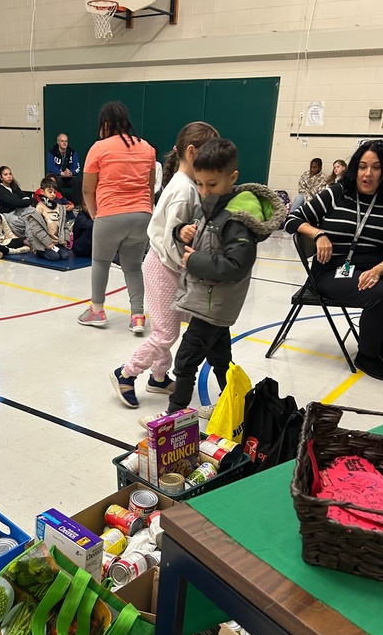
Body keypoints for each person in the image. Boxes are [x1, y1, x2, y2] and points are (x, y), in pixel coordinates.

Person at [159, 139, 284, 415]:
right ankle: (235, 408)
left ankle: (173, 417)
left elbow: (235, 265)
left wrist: (194, 261)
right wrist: (182, 230)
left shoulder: (238, 218)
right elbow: (204, 237)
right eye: (199, 183)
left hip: (214, 304)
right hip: (209, 301)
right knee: (220, 358)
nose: (204, 191)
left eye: (212, 184)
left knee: (185, 360)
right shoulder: (214, 205)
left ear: (233, 177)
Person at [110, 121, 219, 409]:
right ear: (193, 153)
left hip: (168, 267)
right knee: (165, 333)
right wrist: (190, 264)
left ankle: (158, 377)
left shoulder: (188, 186)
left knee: (168, 326)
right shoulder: (184, 190)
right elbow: (172, 239)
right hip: (163, 267)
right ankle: (126, 373)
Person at [286, 139, 383, 381]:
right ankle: (367, 355)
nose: (368, 173)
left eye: (375, 167)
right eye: (363, 166)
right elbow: (294, 219)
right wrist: (318, 233)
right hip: (331, 272)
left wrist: (379, 269)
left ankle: (382, 337)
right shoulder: (335, 194)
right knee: (382, 296)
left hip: (376, 270)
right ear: (355, 168)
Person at [78, 102, 156, 332]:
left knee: (101, 262)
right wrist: (145, 212)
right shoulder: (147, 148)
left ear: (104, 124)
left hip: (110, 213)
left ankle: (97, 311)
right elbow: (150, 188)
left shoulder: (99, 148)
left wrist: (95, 214)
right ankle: (138, 316)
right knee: (133, 267)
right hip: (142, 215)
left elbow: (87, 189)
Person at [26, 178, 70, 261]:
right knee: (54, 257)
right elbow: (37, 229)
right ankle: (40, 251)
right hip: (44, 243)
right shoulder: (39, 208)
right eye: (50, 192)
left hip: (57, 242)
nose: (53, 194)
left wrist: (65, 239)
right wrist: (48, 243)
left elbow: (64, 225)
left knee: (65, 256)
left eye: (54, 192)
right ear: (42, 192)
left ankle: (56, 247)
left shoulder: (60, 208)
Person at [0, 165, 33, 237]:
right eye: (6, 174)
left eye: (10, 174)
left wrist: (26, 201)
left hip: (17, 209)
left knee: (33, 211)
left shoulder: (14, 187)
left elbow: (25, 197)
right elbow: (12, 202)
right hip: (7, 213)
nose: (9, 176)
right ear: (1, 177)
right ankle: (27, 238)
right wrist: (24, 201)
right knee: (24, 222)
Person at [47, 133, 82, 205]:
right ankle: (57, 203)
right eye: (62, 141)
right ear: (58, 142)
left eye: (66, 141)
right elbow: (51, 167)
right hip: (58, 176)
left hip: (69, 176)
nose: (64, 143)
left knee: (77, 180)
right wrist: (61, 173)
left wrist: (71, 172)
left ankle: (76, 205)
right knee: (57, 181)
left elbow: (77, 167)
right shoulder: (52, 152)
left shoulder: (72, 152)